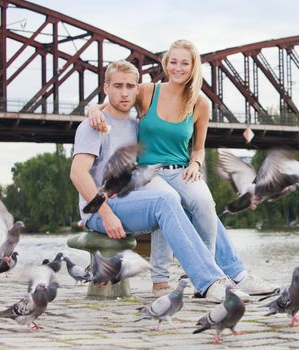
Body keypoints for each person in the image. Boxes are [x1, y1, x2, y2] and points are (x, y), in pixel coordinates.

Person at [71, 60, 275, 302]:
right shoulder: (94, 126)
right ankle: (210, 282)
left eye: (129, 86)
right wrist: (105, 214)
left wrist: (194, 164)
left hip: (130, 202)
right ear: (106, 87)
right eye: (117, 86)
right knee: (166, 199)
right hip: (100, 211)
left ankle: (236, 272)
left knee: (196, 202)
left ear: (138, 89)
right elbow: (77, 174)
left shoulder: (135, 125)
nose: (124, 93)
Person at [89, 40, 217, 256]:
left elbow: (199, 148)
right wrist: (94, 108)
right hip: (147, 172)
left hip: (181, 172)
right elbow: (117, 98)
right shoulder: (148, 91)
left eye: (185, 63)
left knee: (205, 202)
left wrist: (195, 164)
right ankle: (161, 280)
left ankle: (208, 266)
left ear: (193, 66)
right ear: (166, 64)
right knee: (167, 200)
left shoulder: (201, 103)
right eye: (173, 62)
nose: (178, 68)